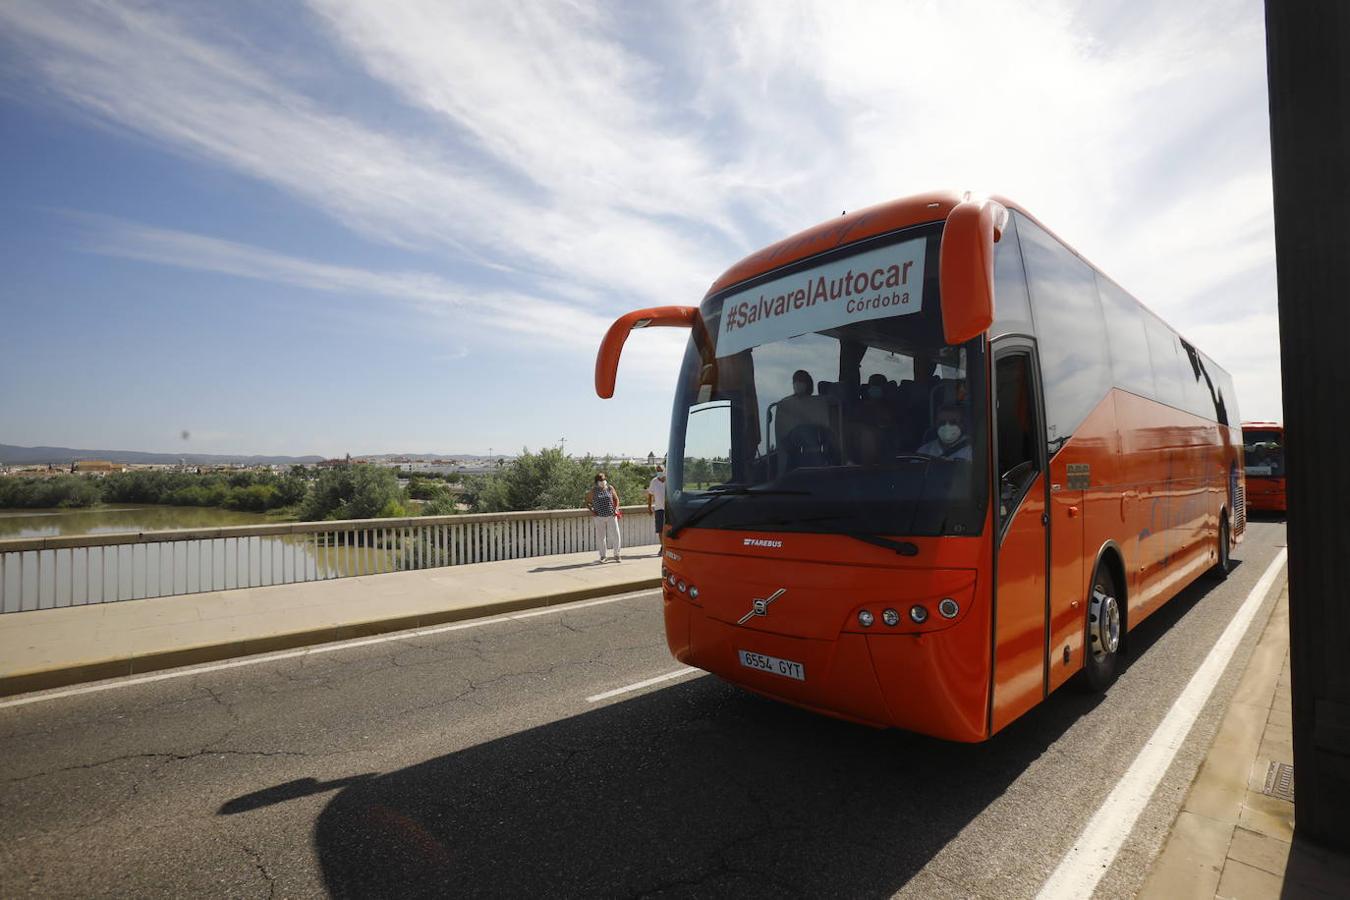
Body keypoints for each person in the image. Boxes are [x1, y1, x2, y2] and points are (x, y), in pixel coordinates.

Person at [773, 369, 832, 454]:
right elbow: (783, 433)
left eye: (801, 381)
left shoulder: (818, 402)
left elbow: (824, 425)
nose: (797, 384)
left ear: (807, 384)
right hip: (791, 444)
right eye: (795, 381)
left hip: (816, 439)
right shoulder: (785, 403)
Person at [585, 472, 622, 562]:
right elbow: (587, 502)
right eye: (601, 480)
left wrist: (616, 509)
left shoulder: (610, 488)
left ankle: (617, 555)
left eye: (604, 479)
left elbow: (616, 499)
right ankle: (603, 556)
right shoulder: (594, 490)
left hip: (611, 515)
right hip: (599, 517)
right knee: (601, 537)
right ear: (597, 481)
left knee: (616, 535)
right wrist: (592, 511)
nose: (603, 481)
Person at [646, 465, 666, 554]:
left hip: (669, 509)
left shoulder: (670, 480)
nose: (659, 472)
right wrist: (649, 507)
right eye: (657, 471)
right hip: (659, 509)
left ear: (664, 470)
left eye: (661, 470)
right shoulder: (654, 481)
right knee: (660, 530)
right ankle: (663, 547)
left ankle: (668, 546)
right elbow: (650, 495)